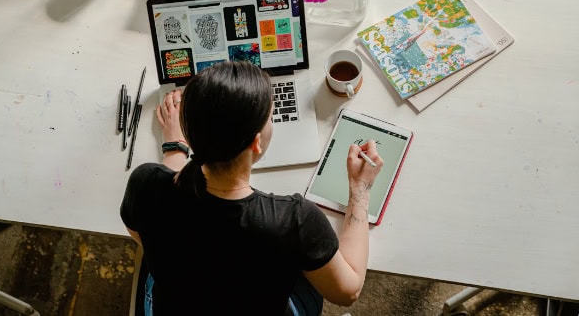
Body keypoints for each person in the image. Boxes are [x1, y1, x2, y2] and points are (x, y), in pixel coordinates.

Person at [120, 61, 384, 315]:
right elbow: (347, 292)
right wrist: (360, 188)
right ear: (256, 143)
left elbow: (141, 231)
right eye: (270, 117)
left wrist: (174, 145)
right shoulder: (294, 221)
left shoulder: (145, 184)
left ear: (190, 134)